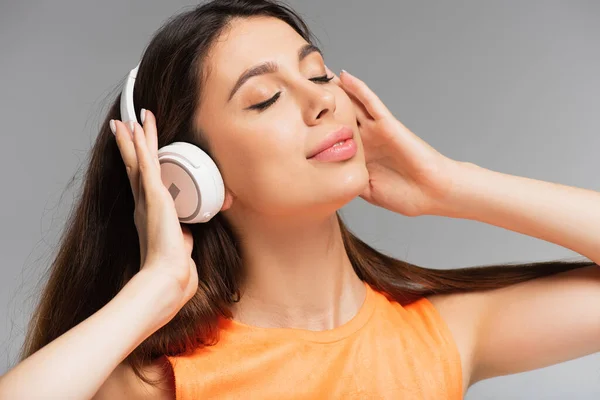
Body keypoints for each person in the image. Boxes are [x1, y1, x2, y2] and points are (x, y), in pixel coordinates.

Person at [1, 0, 599, 398]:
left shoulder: (440, 335)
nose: (322, 102)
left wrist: (452, 185)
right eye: (265, 98)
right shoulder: (160, 380)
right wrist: (153, 289)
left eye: (316, 75)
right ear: (192, 177)